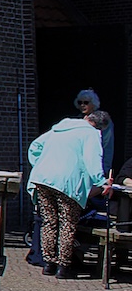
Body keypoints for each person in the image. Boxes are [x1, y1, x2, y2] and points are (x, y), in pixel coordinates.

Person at [27, 109, 111, 279]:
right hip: (68, 182)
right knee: (67, 223)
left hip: (43, 178)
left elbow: (35, 146)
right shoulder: (91, 134)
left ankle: (48, 264)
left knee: (49, 221)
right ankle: (63, 267)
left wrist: (41, 164)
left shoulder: (60, 128)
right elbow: (92, 159)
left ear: (87, 117)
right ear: (101, 128)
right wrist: (101, 182)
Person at [75, 89, 116, 173]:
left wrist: (105, 167)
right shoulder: (76, 120)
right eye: (80, 102)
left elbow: (107, 144)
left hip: (96, 161)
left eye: (86, 102)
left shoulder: (102, 119)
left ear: (93, 103)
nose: (82, 105)